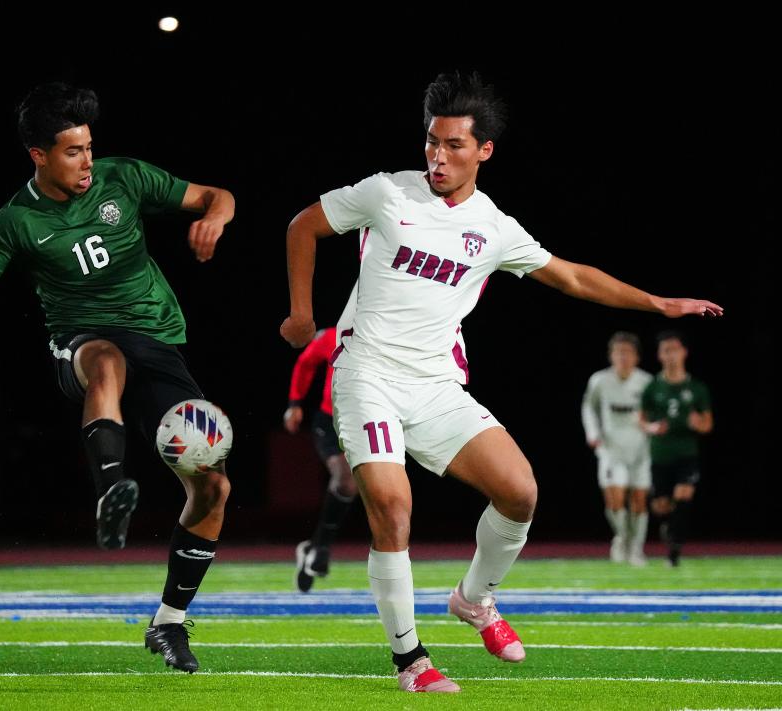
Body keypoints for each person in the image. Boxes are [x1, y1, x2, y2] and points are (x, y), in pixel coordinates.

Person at [280, 70, 723, 693]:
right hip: (367, 376)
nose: (438, 156)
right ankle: (411, 661)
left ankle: (474, 600)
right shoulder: (387, 193)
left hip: (435, 385)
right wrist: (302, 314)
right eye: (432, 141)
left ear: (484, 150)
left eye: (454, 145)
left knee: (520, 492)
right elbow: (304, 225)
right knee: (393, 505)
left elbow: (571, 277)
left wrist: (659, 304)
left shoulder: (493, 227)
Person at [0, 82, 235, 673]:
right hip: (78, 344)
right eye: (73, 151)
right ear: (38, 155)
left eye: (90, 146)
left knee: (214, 485)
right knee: (105, 362)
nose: (88, 161)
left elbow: (216, 195)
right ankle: (112, 485)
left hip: (157, 342)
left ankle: (169, 624)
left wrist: (216, 217)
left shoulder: (125, 178)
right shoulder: (15, 221)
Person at [284, 324, 358, 592]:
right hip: (330, 421)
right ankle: (322, 548)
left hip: (368, 421)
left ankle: (313, 548)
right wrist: (294, 404)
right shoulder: (333, 335)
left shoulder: (389, 332)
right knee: (346, 480)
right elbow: (305, 363)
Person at [641, 330, 713, 567]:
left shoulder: (697, 388)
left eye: (674, 349)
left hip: (686, 454)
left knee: (683, 496)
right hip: (660, 454)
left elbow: (707, 423)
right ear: (660, 355)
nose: (670, 355)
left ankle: (675, 548)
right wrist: (652, 427)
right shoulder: (653, 387)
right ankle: (668, 528)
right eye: (665, 351)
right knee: (661, 506)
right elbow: (641, 419)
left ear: (684, 352)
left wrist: (698, 423)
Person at [581, 332, 653, 566]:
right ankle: (622, 537)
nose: (623, 357)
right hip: (611, 448)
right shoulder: (599, 380)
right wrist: (593, 434)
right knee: (614, 500)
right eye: (618, 352)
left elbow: (654, 413)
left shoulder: (646, 382)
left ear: (637, 357)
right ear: (611, 355)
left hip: (641, 449)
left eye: (628, 352)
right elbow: (588, 408)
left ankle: (636, 548)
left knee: (640, 500)